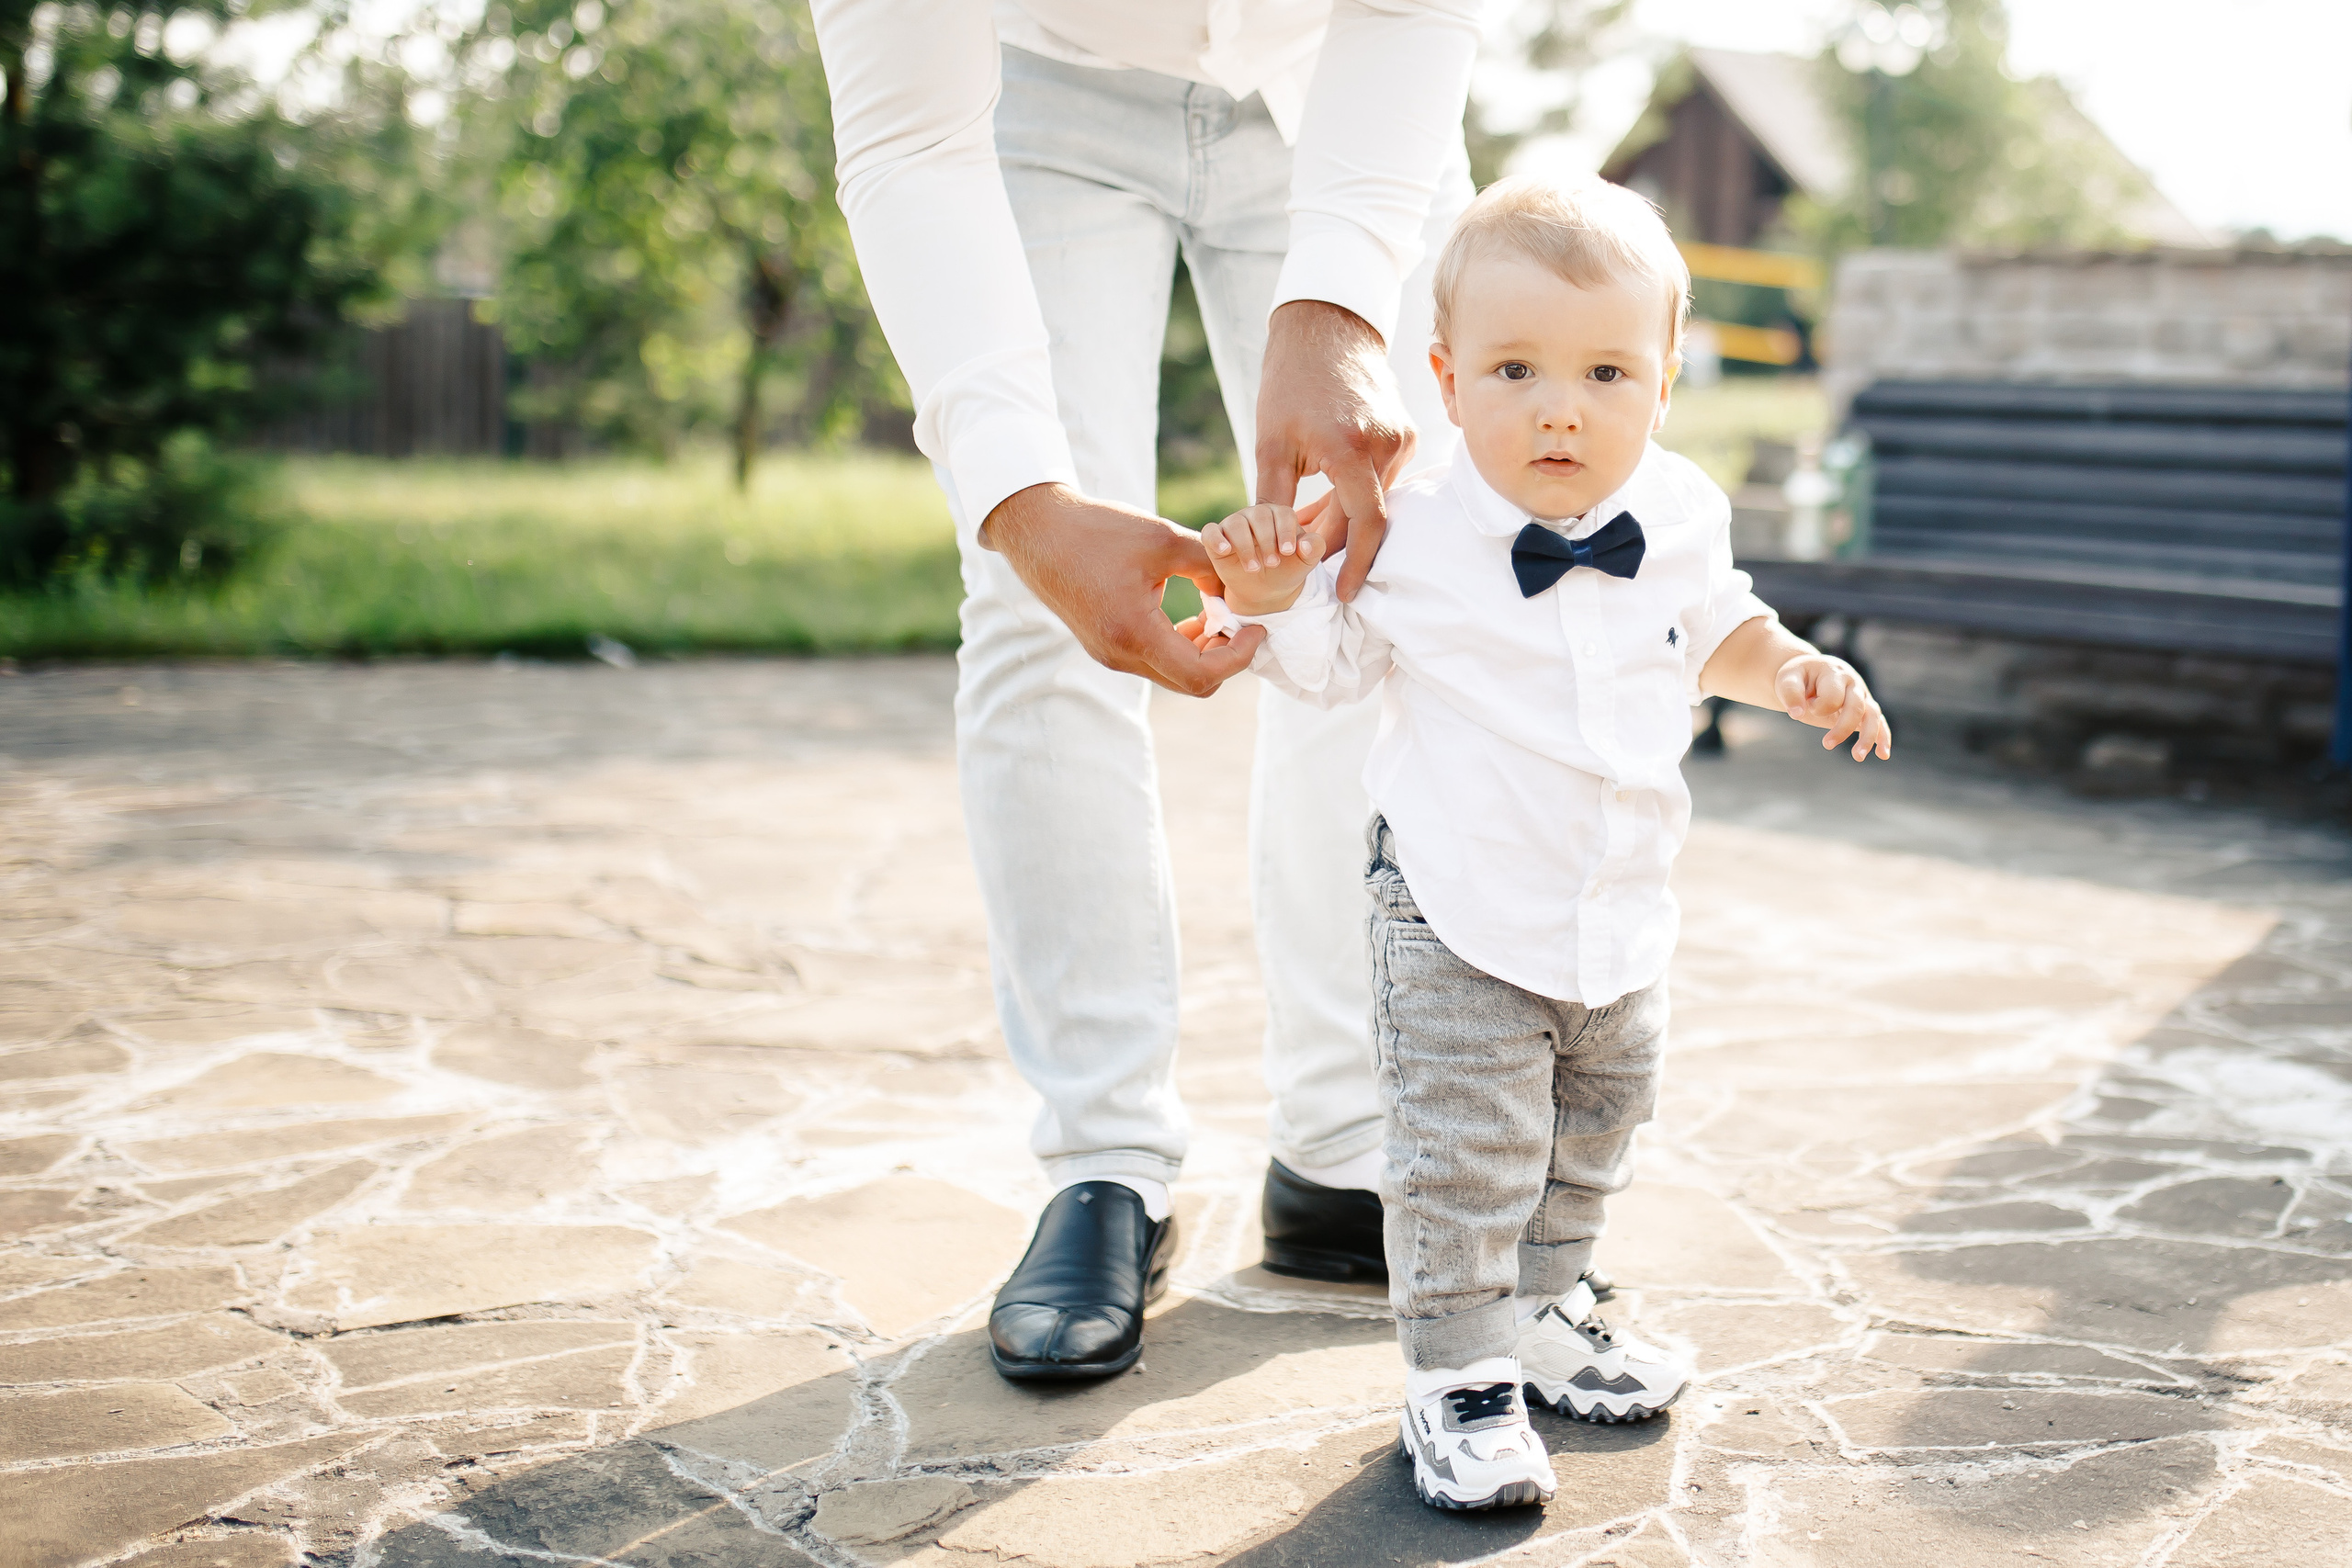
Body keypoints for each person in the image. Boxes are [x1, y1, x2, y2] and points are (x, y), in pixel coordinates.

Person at [807, 0, 1492, 1381]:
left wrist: (1339, 294)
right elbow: (906, 146)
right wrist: (1023, 501)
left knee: (1388, 565)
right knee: (1032, 600)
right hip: (1032, 105)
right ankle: (1103, 1161)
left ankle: (1349, 1140)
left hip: (1342, 75)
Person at [1195, 177, 1892, 1510]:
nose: (1560, 407)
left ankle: (1547, 1303)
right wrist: (1276, 598)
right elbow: (1330, 668)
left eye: (1606, 372)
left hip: (1619, 912)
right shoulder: (1413, 530)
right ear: (1447, 381)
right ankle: (1454, 1371)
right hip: (1458, 910)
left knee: (1592, 1133)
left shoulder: (1680, 510)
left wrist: (1791, 669)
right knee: (1467, 1156)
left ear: (1667, 382)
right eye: (1515, 369)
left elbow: (1721, 626)